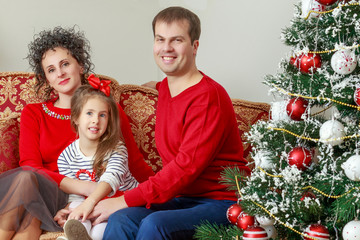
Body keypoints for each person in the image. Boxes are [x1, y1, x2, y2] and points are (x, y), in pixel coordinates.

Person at [89, 6, 251, 240]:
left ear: (195, 46)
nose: (166, 48)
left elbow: (185, 168)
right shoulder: (165, 88)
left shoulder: (207, 97)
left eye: (177, 40)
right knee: (121, 220)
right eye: (160, 39)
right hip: (181, 198)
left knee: (155, 224)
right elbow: (164, 89)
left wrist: (123, 200)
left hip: (220, 202)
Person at [0, 26, 154, 240]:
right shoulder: (34, 113)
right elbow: (30, 166)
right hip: (49, 191)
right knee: (27, 182)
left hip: (95, 193)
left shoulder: (107, 111)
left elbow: (134, 164)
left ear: (80, 65)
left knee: (29, 211)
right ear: (46, 78)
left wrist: (168, 190)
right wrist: (84, 186)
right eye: (51, 70)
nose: (60, 73)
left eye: (65, 64)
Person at [57, 82, 139, 240]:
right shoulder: (66, 157)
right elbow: (75, 195)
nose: (96, 120)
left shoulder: (116, 149)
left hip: (120, 202)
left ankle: (82, 236)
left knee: (99, 230)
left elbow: (111, 179)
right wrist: (74, 208)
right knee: (75, 206)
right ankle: (75, 234)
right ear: (76, 117)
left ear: (108, 120)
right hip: (90, 206)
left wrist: (89, 204)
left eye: (102, 115)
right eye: (89, 113)